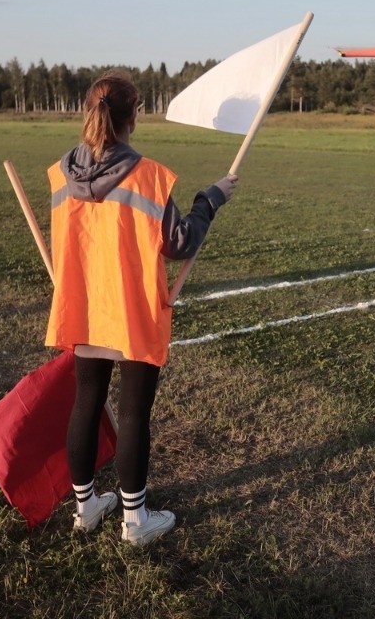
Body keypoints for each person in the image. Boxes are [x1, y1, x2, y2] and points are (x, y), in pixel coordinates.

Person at [45, 70, 237, 546]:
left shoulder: (60, 173)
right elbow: (181, 242)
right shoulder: (147, 176)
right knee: (132, 414)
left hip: (86, 307)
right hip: (130, 312)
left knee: (86, 404)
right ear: (135, 115)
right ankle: (135, 522)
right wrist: (209, 200)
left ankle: (84, 508)